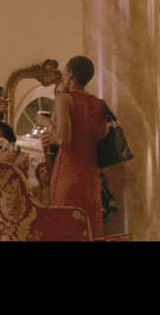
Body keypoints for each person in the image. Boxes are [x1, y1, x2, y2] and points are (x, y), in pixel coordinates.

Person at [34, 56, 109, 238]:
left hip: (68, 174)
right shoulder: (99, 104)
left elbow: (63, 140)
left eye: (65, 73)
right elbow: (103, 134)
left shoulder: (65, 100)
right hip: (91, 176)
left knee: (65, 228)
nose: (63, 77)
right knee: (88, 228)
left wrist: (47, 123)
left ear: (71, 76)